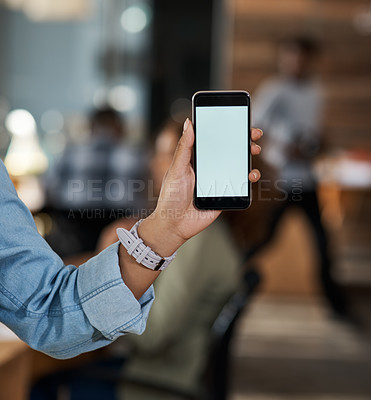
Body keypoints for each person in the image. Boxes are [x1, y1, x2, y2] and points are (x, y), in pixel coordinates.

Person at [30, 119, 263, 400]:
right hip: (156, 373)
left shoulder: (196, 238)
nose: (152, 163)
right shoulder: (208, 231)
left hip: (152, 385)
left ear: (192, 163)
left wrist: (112, 272)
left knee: (36, 381)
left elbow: (152, 337)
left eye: (166, 154)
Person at [252, 36, 347, 316]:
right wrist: (284, 147)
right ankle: (227, 283)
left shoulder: (317, 91)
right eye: (291, 56)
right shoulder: (273, 90)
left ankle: (337, 307)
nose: (296, 63)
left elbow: (317, 130)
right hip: (280, 182)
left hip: (306, 180)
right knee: (262, 239)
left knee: (322, 244)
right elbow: (255, 129)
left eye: (301, 57)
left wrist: (319, 144)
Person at [44, 107, 149, 257]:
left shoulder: (69, 153)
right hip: (120, 242)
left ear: (92, 126)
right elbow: (145, 199)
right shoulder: (136, 156)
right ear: (120, 127)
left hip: (72, 242)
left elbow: (48, 190)